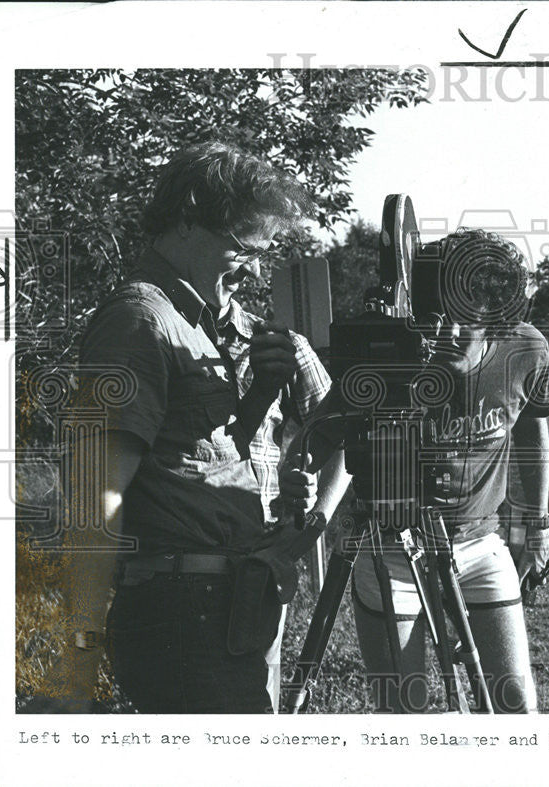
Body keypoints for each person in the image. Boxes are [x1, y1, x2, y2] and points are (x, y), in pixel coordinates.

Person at [35, 141, 349, 713]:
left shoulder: (243, 331)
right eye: (242, 250)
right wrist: (77, 664)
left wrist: (309, 519)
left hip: (247, 604)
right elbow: (93, 500)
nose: (254, 269)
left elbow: (338, 433)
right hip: (182, 616)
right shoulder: (139, 322)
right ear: (187, 220)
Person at [345, 228, 549, 713]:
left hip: (480, 543)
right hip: (393, 547)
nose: (450, 334)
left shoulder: (525, 350)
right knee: (404, 711)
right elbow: (340, 436)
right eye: (438, 316)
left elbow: (531, 427)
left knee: (515, 704)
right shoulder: (394, 354)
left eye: (468, 321)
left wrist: (538, 522)